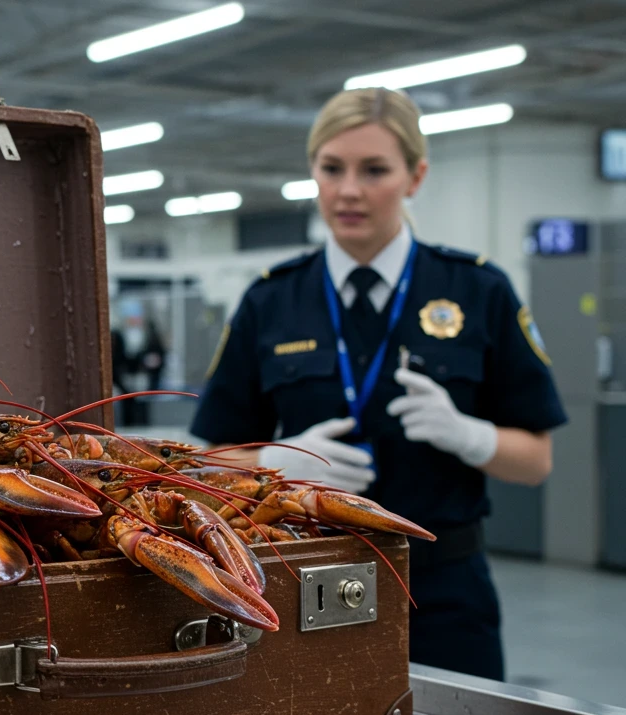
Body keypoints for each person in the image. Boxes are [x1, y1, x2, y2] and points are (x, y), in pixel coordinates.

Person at [189, 88, 566, 681]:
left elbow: (536, 461)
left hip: (444, 588)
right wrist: (275, 462)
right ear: (312, 173)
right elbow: (209, 459)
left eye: (374, 170)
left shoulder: (479, 290)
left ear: (415, 177)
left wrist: (471, 437)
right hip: (304, 577)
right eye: (331, 168)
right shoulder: (272, 300)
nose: (349, 190)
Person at [111, 299, 167, 426]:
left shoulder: (150, 334)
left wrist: (153, 362)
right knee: (128, 406)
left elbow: (159, 354)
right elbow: (117, 359)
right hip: (126, 378)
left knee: (143, 407)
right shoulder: (118, 335)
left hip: (144, 377)